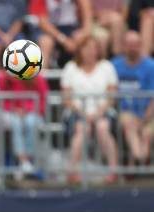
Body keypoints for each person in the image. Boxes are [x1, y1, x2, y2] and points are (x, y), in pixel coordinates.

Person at [61, 36, 119, 184]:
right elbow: (67, 99)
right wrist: (84, 114)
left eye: (94, 47)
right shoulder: (70, 67)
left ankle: (114, 170)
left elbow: (111, 96)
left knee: (102, 127)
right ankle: (72, 171)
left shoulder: (107, 66)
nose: (90, 51)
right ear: (80, 50)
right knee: (82, 128)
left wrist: (98, 113)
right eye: (86, 48)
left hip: (103, 110)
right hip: (76, 112)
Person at [112, 31, 154, 165]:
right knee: (129, 123)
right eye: (129, 44)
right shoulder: (114, 65)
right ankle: (139, 158)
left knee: (147, 133)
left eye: (136, 45)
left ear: (141, 46)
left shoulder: (150, 66)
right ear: (123, 46)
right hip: (124, 114)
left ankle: (136, 162)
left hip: (149, 114)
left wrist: (144, 118)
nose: (132, 48)